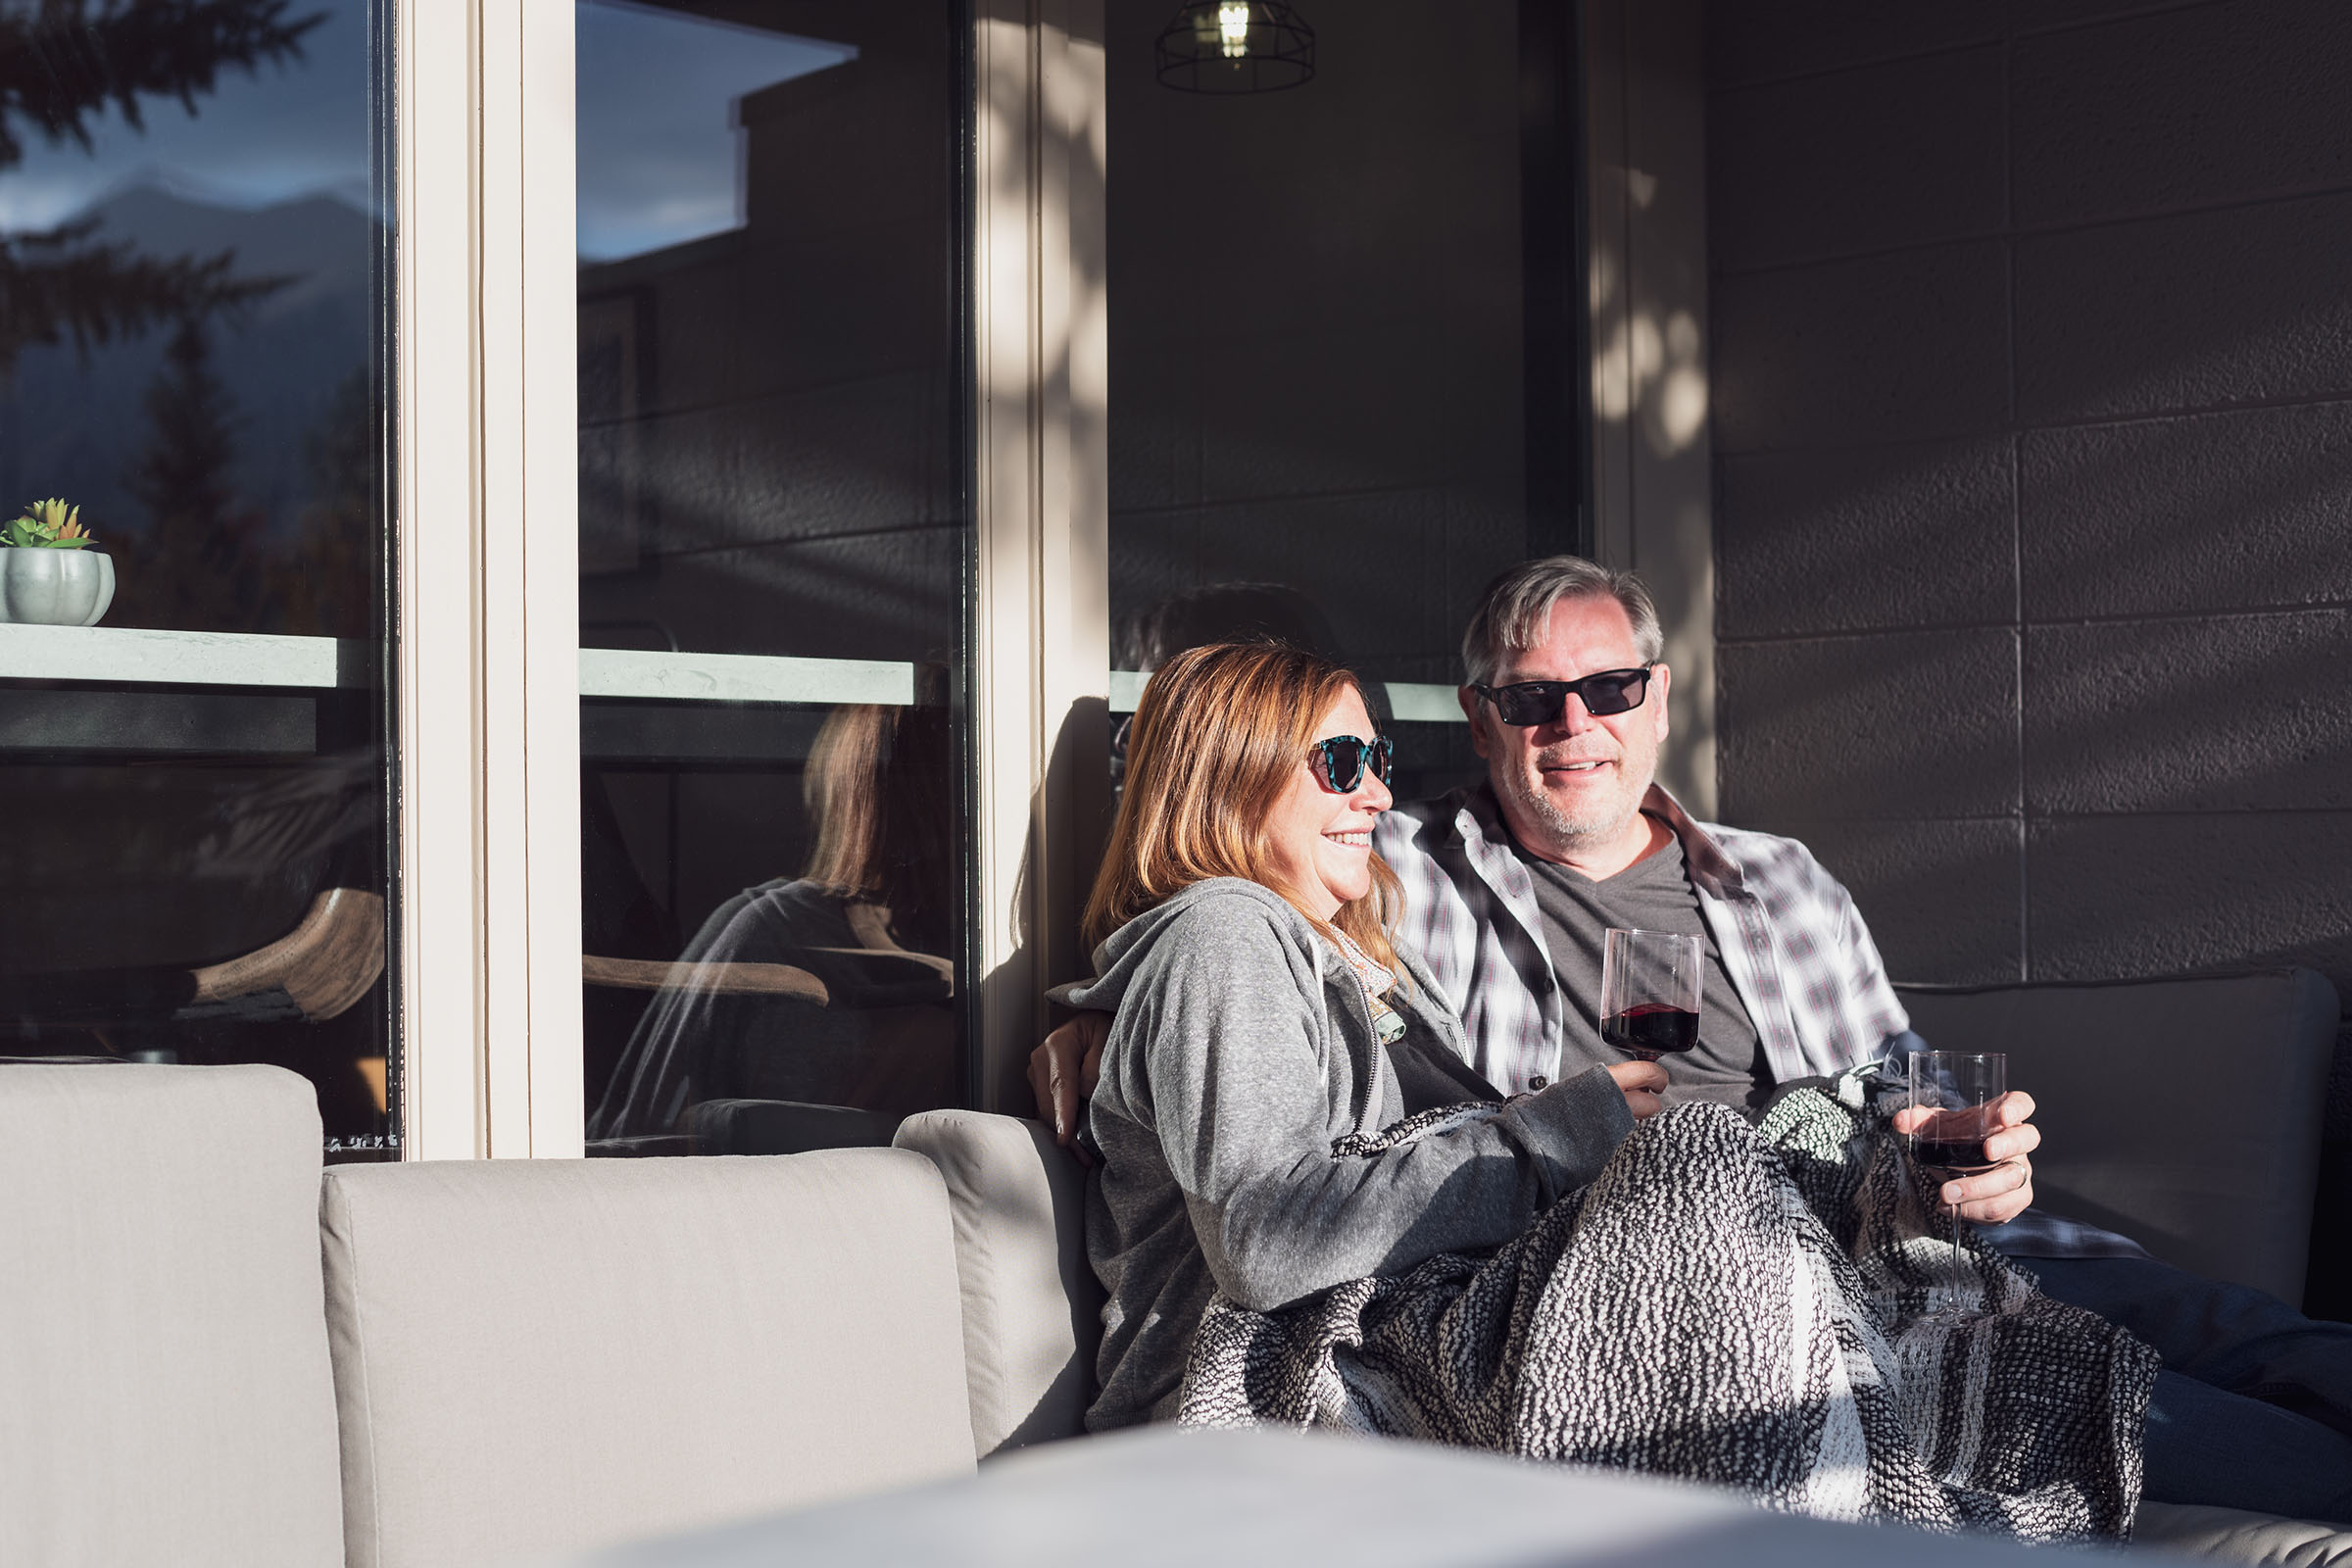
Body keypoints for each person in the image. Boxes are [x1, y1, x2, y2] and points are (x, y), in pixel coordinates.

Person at [1035, 556, 2352, 1523]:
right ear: (1485, 717)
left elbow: (1895, 1076)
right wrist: (1094, 1016)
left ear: (1658, 698)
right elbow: (1225, 939)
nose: (1575, 728)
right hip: (1669, 1249)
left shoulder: (1775, 877)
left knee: (2246, 1333)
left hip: (1867, 1201)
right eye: (1533, 700)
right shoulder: (1408, 877)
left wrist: (1954, 1150)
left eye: (1607, 689)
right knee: (2098, 1391)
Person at [1068, 638, 1663, 1430]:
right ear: (1236, 771)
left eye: (1378, 758)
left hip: (1417, 1368)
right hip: (1269, 1418)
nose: (1379, 793)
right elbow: (1268, 1239)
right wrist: (1548, 1138)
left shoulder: (1372, 955)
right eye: (1344, 761)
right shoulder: (1224, 936)